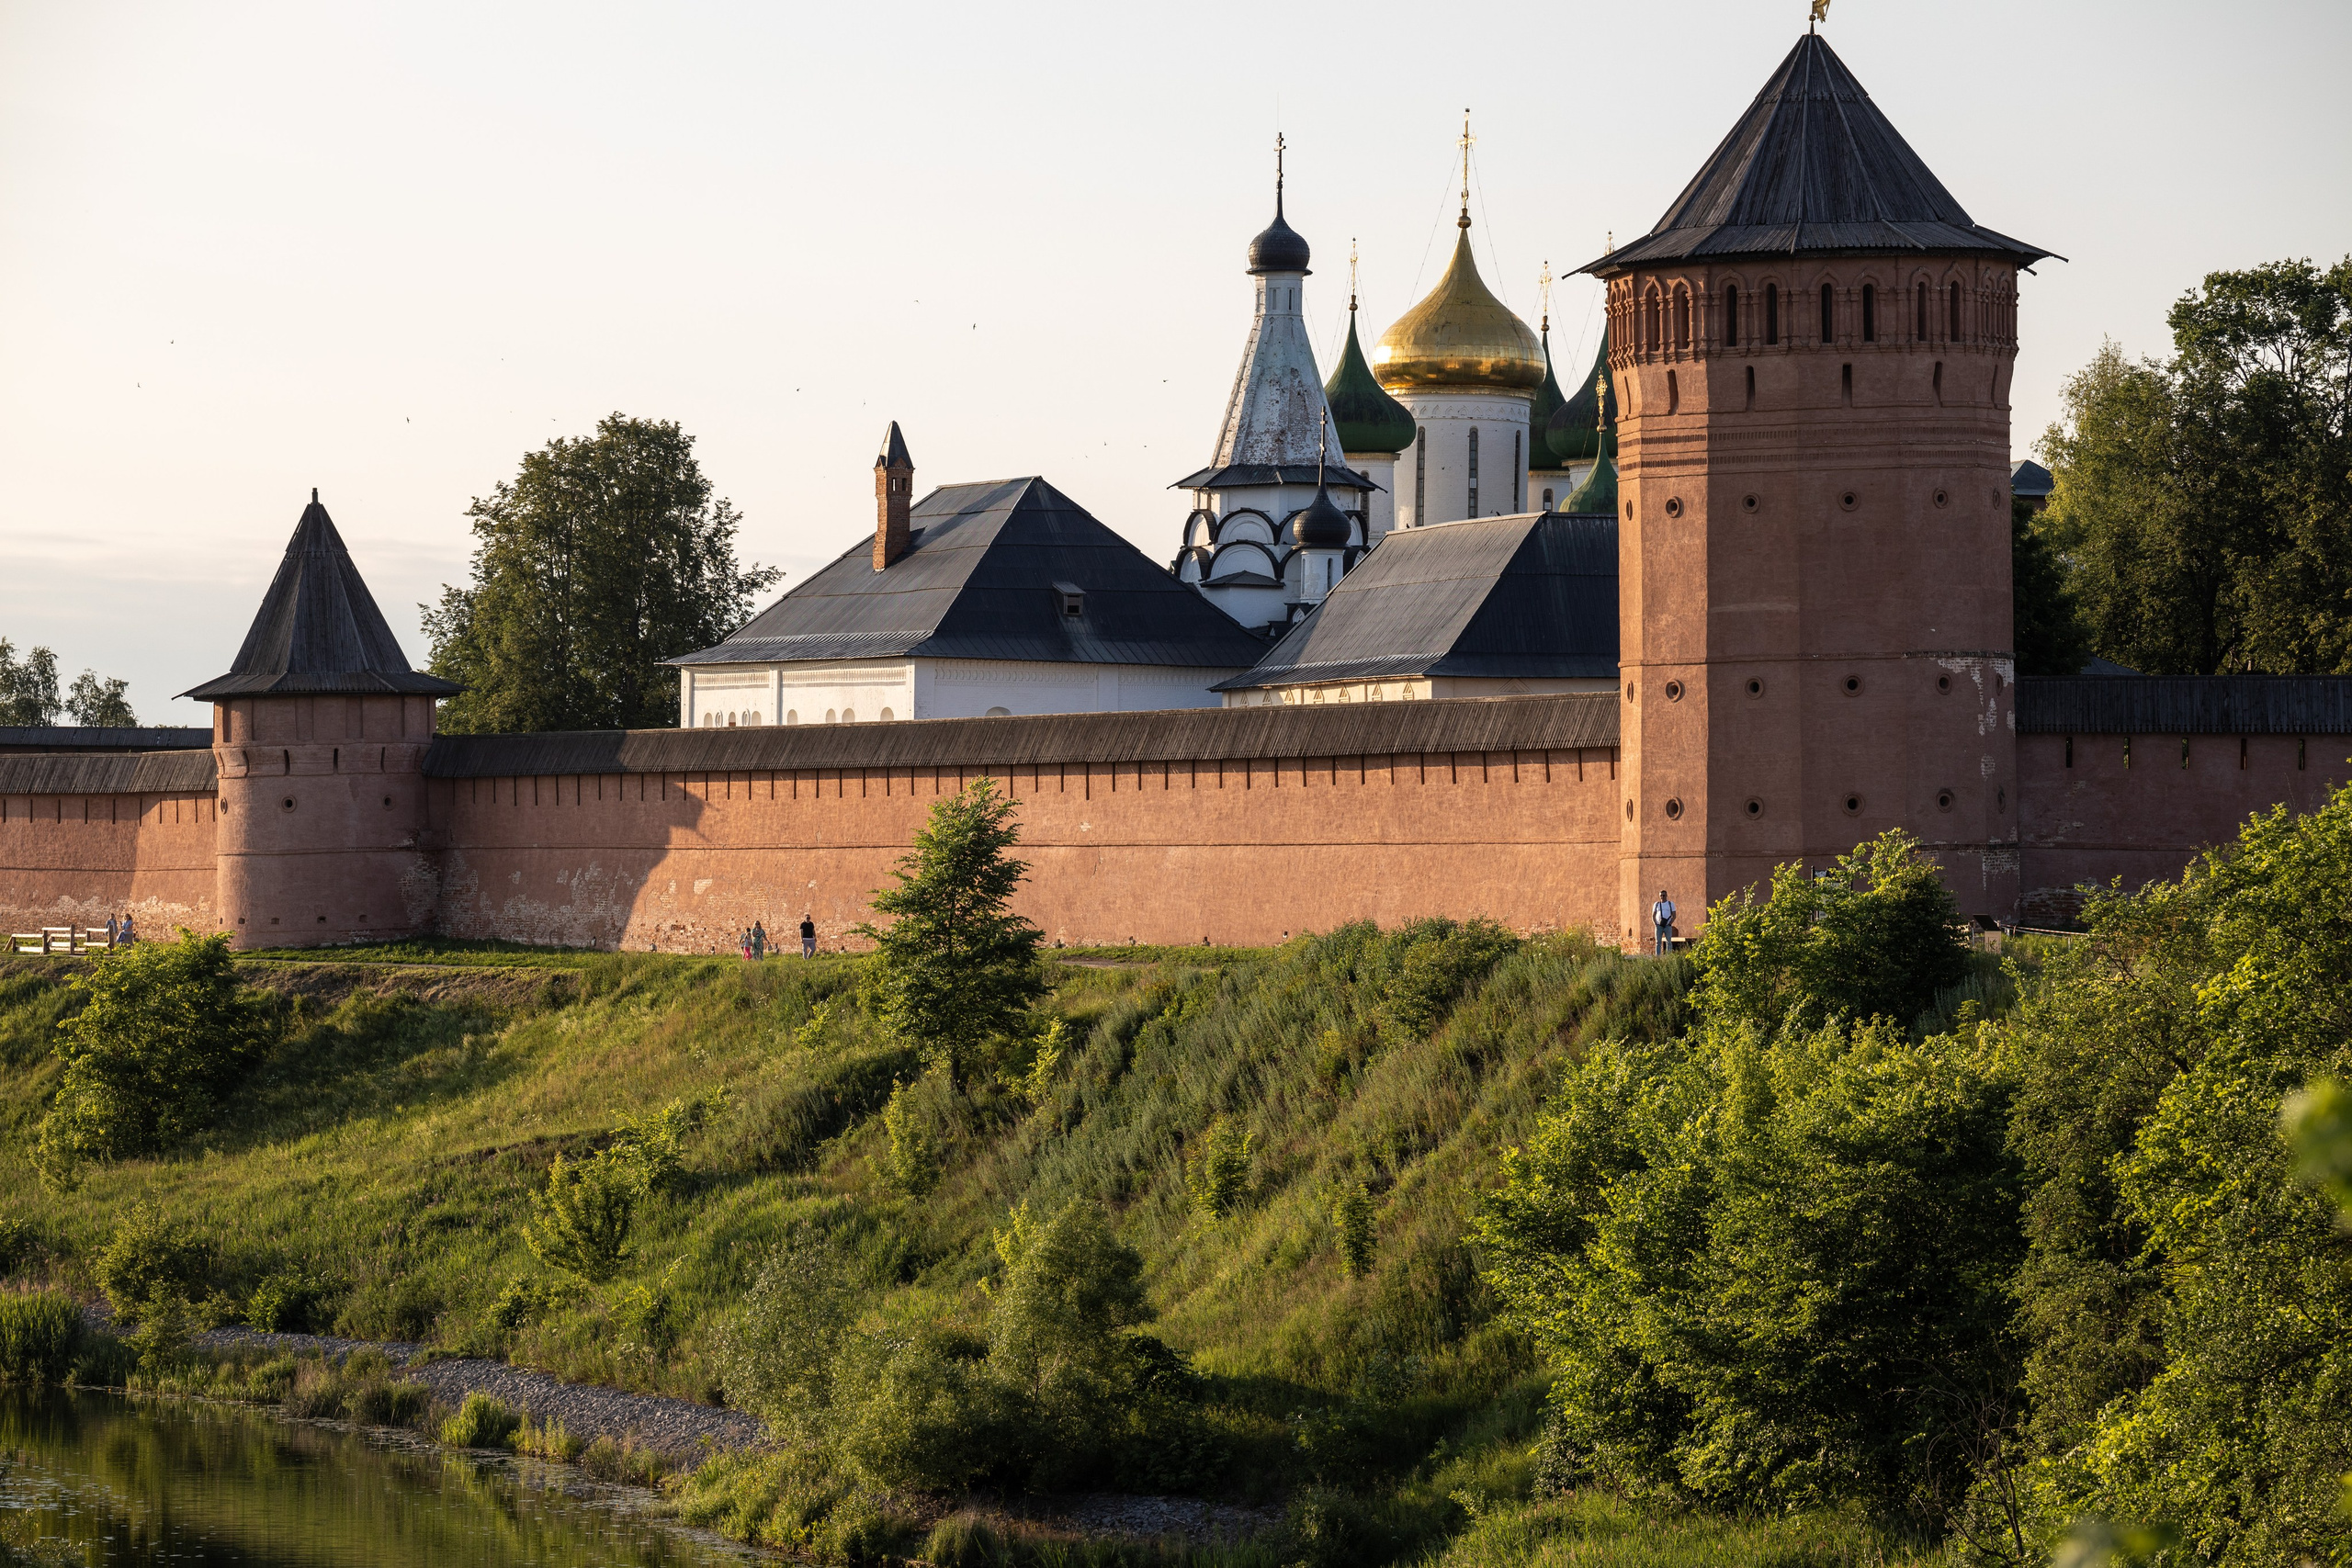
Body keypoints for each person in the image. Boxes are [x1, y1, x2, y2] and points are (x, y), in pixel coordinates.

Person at [1651, 890, 1676, 957]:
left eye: (1664, 895)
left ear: (1666, 895)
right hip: (1659, 925)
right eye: (1661, 895)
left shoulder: (1670, 904)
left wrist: (1670, 923)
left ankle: (1669, 957)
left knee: (1669, 942)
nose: (1662, 897)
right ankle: (1658, 957)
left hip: (1667, 925)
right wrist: (1655, 924)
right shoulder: (1656, 904)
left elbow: (1674, 915)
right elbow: (1653, 915)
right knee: (1658, 942)